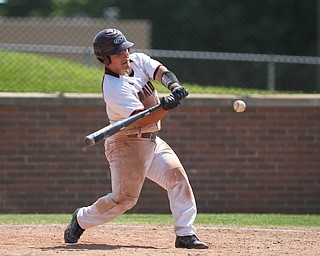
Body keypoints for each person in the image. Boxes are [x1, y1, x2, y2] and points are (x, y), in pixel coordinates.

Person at [64, 28, 208, 249]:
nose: (125, 55)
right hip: (126, 144)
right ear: (105, 60)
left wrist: (174, 86)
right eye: (118, 52)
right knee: (124, 200)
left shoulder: (137, 61)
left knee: (177, 178)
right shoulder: (113, 88)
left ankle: (185, 234)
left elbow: (160, 71)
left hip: (152, 140)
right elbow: (142, 120)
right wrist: (166, 107)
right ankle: (82, 218)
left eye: (125, 49)